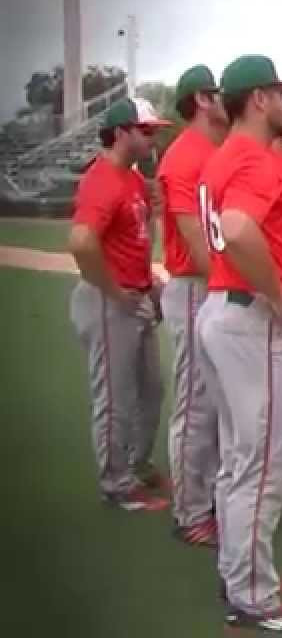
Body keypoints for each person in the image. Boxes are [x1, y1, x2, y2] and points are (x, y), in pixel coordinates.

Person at [196, 55, 282, 631]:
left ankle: (241, 572)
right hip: (251, 321)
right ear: (258, 100)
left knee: (239, 462)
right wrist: (274, 294)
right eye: (281, 93)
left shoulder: (222, 156)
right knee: (263, 467)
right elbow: (242, 229)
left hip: (223, 311)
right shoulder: (253, 158)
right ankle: (253, 595)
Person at [68, 97, 172, 514]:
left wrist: (149, 286)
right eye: (145, 131)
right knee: (116, 396)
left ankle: (137, 463)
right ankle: (116, 482)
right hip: (110, 300)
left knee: (151, 389)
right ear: (122, 132)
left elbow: (133, 240)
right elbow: (80, 242)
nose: (153, 137)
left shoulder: (129, 177)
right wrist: (113, 291)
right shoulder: (102, 179)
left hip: (136, 295)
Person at [156, 66, 227, 545]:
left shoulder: (214, 151)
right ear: (202, 100)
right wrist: (226, 279)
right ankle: (190, 511)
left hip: (213, 286)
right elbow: (191, 232)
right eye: (218, 94)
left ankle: (208, 502)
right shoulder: (184, 156)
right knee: (194, 403)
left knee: (216, 404)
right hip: (193, 286)